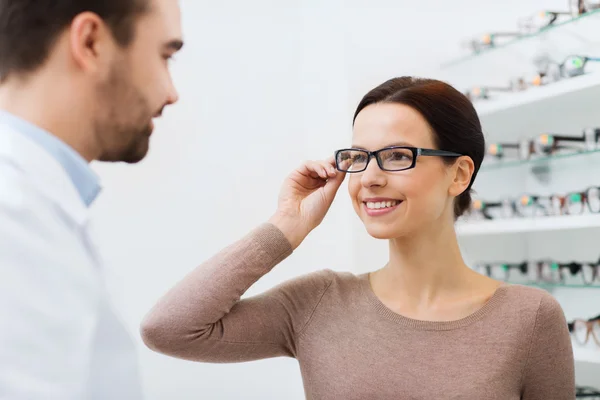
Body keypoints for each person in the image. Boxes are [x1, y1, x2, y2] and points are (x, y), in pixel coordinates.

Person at [140, 77, 575, 399]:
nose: (369, 177)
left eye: (397, 156)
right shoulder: (319, 303)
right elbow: (169, 328)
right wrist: (286, 226)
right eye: (358, 157)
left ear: (458, 174)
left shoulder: (529, 317)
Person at [0, 0, 183, 398]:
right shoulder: (13, 221)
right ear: (91, 42)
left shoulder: (37, 205)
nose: (172, 93)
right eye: (164, 55)